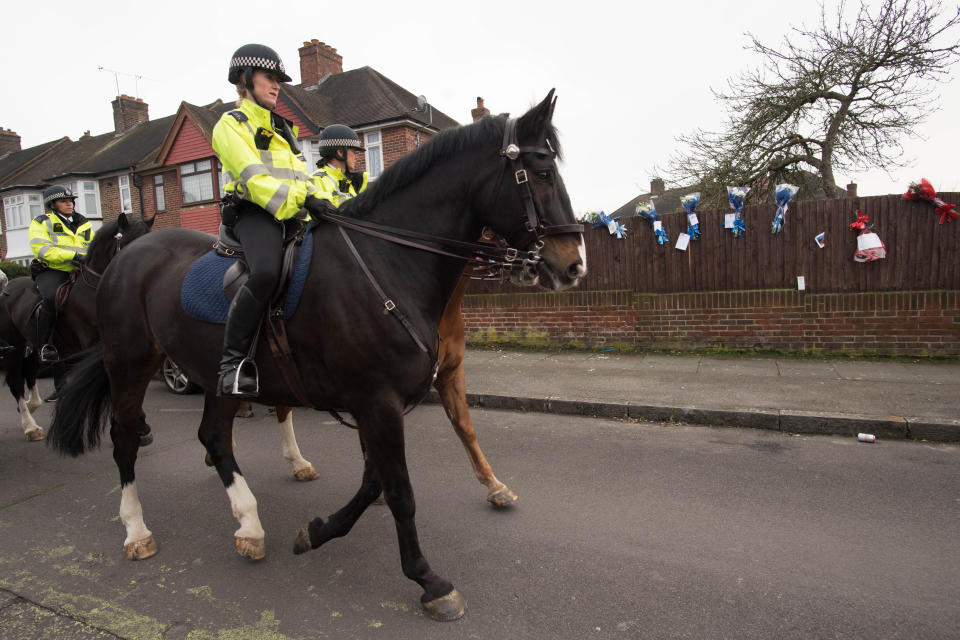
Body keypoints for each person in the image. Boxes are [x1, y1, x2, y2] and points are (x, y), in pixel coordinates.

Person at [211, 43, 334, 397]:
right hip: (254, 213)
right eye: (269, 77)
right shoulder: (230, 125)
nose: (276, 85)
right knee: (265, 271)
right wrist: (303, 199)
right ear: (245, 79)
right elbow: (255, 180)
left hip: (292, 212)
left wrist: (323, 202)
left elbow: (302, 178)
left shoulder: (283, 128)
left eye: (279, 79)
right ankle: (232, 364)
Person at [28, 185, 92, 362]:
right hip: (53, 271)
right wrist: (73, 256)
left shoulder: (84, 223)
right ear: (52, 205)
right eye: (63, 201)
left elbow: (93, 247)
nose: (69, 204)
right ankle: (45, 346)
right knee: (50, 297)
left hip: (80, 271)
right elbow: (42, 250)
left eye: (71, 200)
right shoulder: (41, 222)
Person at [311, 124, 368, 205]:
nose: (357, 157)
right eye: (354, 152)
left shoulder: (350, 182)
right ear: (340, 152)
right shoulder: (317, 180)